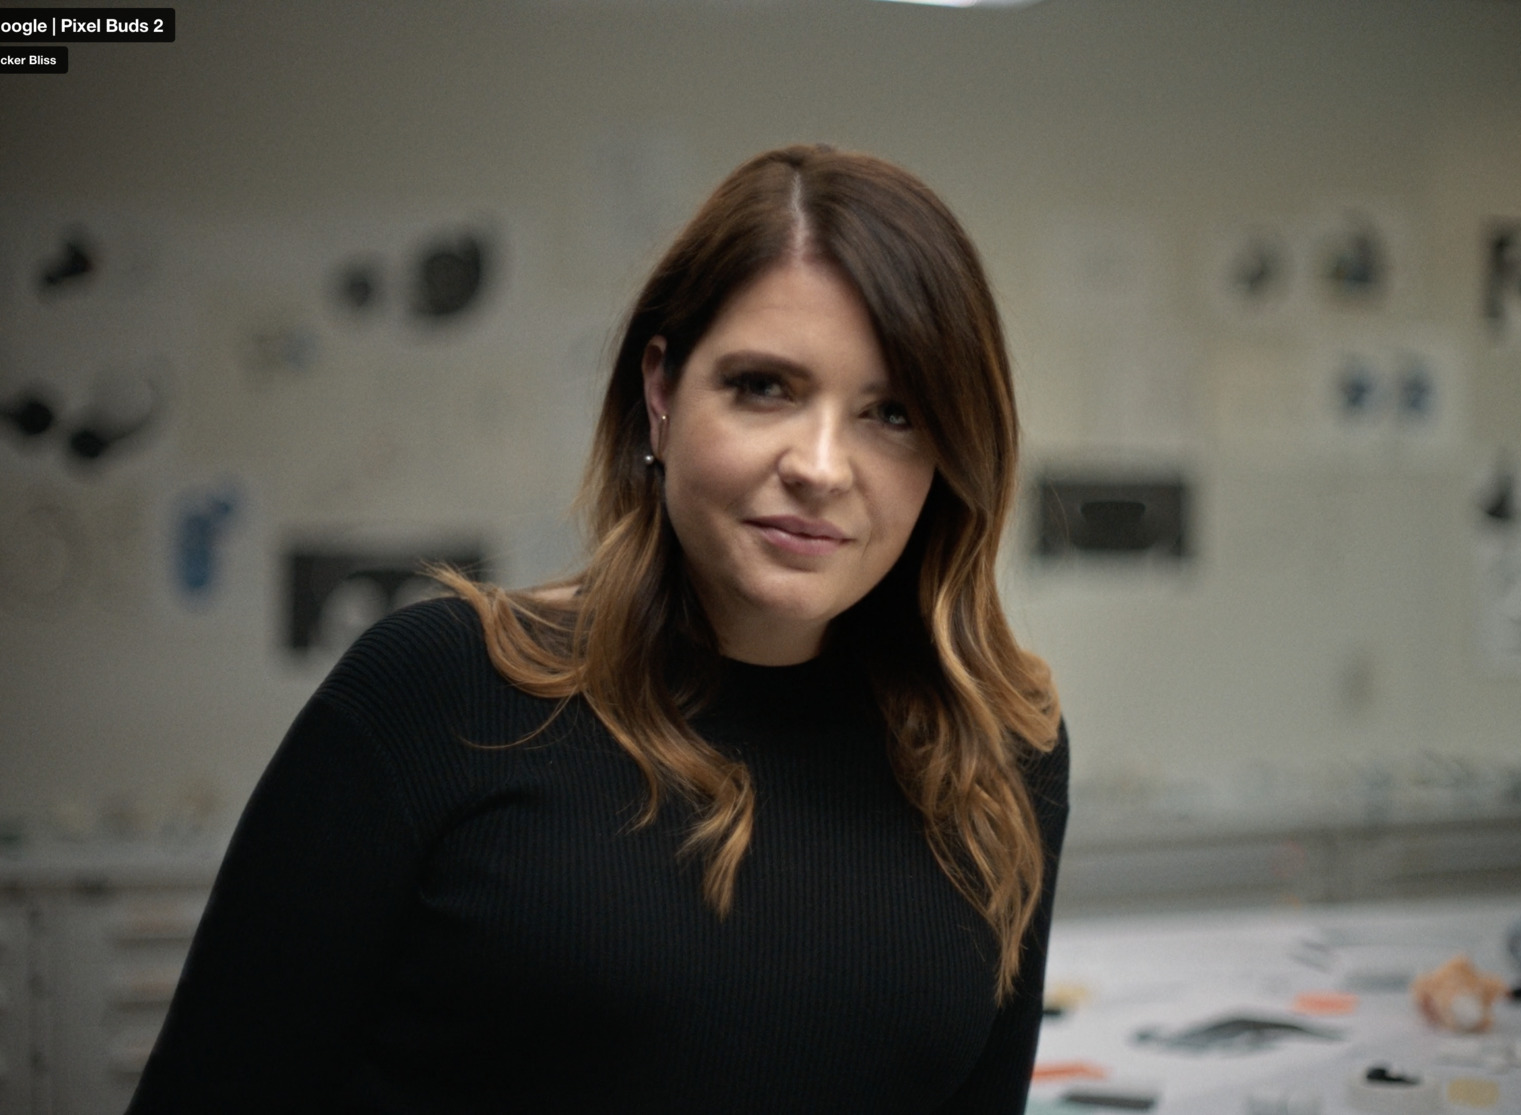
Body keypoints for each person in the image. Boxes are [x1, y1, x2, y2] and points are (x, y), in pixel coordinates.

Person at [127, 144, 1069, 1114]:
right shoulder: (442, 689)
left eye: (894, 411)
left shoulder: (996, 750)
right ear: (660, 392)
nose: (822, 464)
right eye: (765, 387)